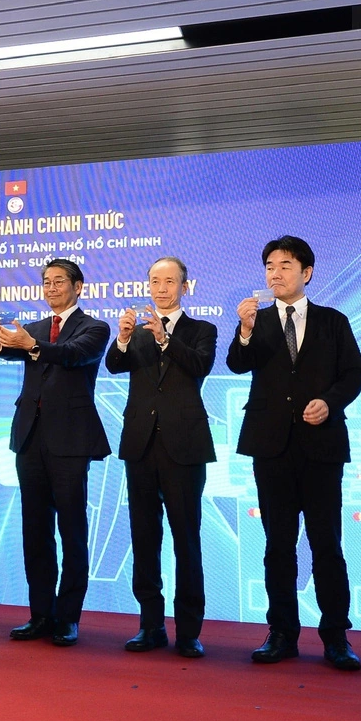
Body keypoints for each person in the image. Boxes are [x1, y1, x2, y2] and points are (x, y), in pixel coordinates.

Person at [226, 236, 361, 671]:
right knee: (277, 544)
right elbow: (236, 363)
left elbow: (354, 373)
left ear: (306, 272)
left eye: (285, 265)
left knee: (327, 543)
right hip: (270, 448)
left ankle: (335, 636)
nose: (275, 273)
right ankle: (281, 632)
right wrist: (245, 332)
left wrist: (330, 401)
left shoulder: (332, 321)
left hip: (321, 447)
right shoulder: (257, 321)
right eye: (270, 265)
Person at [0, 258, 111, 647]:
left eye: (59, 281)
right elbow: (14, 351)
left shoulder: (94, 327)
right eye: (46, 282)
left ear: (78, 286)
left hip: (70, 441)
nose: (51, 287)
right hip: (30, 439)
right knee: (35, 532)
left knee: (72, 531)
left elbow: (73, 354)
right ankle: (40, 614)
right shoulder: (34, 328)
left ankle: (68, 617)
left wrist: (33, 345)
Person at [104, 257, 216, 658]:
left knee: (186, 539)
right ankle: (150, 625)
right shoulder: (137, 332)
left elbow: (200, 364)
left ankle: (188, 631)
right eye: (155, 281)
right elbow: (114, 366)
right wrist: (121, 338)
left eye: (170, 281)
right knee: (144, 537)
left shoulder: (201, 330)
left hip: (184, 447)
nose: (161, 288)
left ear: (185, 286)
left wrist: (166, 339)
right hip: (140, 446)